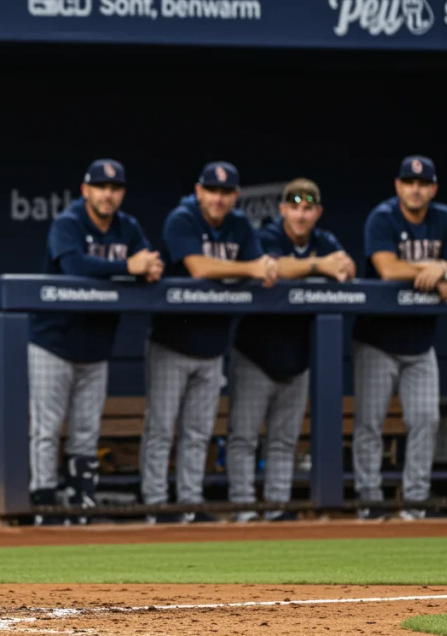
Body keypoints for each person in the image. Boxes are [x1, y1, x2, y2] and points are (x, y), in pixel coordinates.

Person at [140, 161, 277, 524]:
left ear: (235, 196)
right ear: (199, 191)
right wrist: (251, 268)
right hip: (172, 342)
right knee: (161, 429)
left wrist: (264, 266)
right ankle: (156, 505)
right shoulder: (181, 218)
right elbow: (200, 268)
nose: (218, 199)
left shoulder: (240, 225)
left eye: (226, 192)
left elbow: (263, 265)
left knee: (198, 433)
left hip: (214, 345)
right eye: (212, 191)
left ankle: (188, 504)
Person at [28, 159, 162, 526]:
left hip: (96, 345)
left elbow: (147, 260)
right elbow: (73, 267)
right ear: (86, 190)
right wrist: (128, 268)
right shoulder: (69, 222)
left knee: (87, 430)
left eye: (115, 188)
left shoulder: (127, 227)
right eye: (100, 187)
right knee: (47, 428)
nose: (108, 194)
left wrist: (148, 266)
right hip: (52, 340)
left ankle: (81, 501)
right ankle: (44, 504)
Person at [227, 178, 354, 523]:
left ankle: (277, 509)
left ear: (318, 212)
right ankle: (243, 509)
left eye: (307, 208)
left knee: (284, 441)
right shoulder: (266, 235)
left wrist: (335, 264)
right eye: (294, 207)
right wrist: (318, 266)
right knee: (244, 437)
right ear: (282, 209)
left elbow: (347, 267)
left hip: (298, 359)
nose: (300, 214)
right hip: (255, 354)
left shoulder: (324, 241)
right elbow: (271, 266)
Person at [351, 155, 447, 520]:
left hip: (420, 344)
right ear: (398, 186)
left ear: (432, 188)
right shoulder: (382, 217)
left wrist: (443, 267)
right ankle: (370, 502)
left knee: (426, 420)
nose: (415, 189)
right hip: (376, 341)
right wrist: (430, 271)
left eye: (422, 183)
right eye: (408, 183)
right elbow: (387, 268)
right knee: (369, 424)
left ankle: (414, 503)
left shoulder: (443, 218)